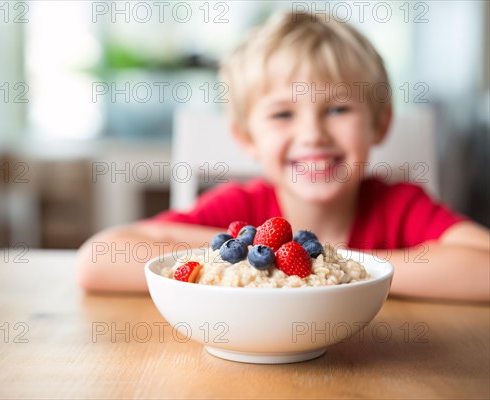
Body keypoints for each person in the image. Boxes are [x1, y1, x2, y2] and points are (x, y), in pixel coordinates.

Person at [77, 12, 489, 300]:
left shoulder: (399, 207)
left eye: (338, 109)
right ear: (247, 137)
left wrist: (342, 265)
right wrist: (258, 249)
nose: (312, 134)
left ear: (379, 124)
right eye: (283, 114)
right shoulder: (240, 208)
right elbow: (98, 260)